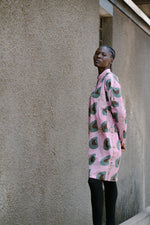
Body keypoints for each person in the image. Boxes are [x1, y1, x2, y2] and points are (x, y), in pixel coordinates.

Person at [88, 45, 127, 225]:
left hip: (109, 143)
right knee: (108, 182)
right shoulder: (100, 81)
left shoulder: (111, 79)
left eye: (104, 54)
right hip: (99, 144)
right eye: (97, 53)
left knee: (96, 182)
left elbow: (120, 112)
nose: (99, 56)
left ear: (111, 60)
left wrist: (122, 138)